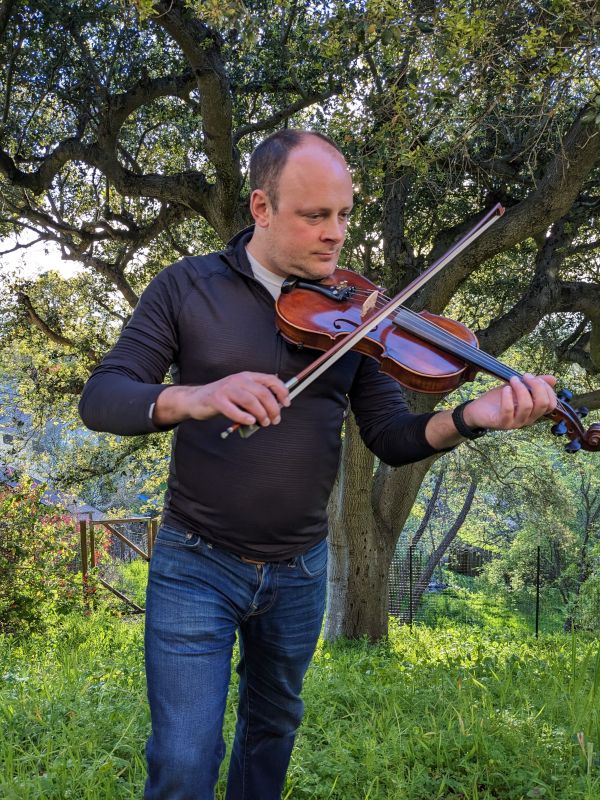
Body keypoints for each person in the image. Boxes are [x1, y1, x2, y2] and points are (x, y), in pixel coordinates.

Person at [78, 129, 557, 800]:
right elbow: (102, 397)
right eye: (315, 216)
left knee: (272, 733)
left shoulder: (360, 313)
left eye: (343, 215)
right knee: (184, 761)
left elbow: (392, 434)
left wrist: (470, 418)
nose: (335, 235)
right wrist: (194, 396)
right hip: (197, 564)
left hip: (300, 571)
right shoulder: (187, 288)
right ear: (262, 208)